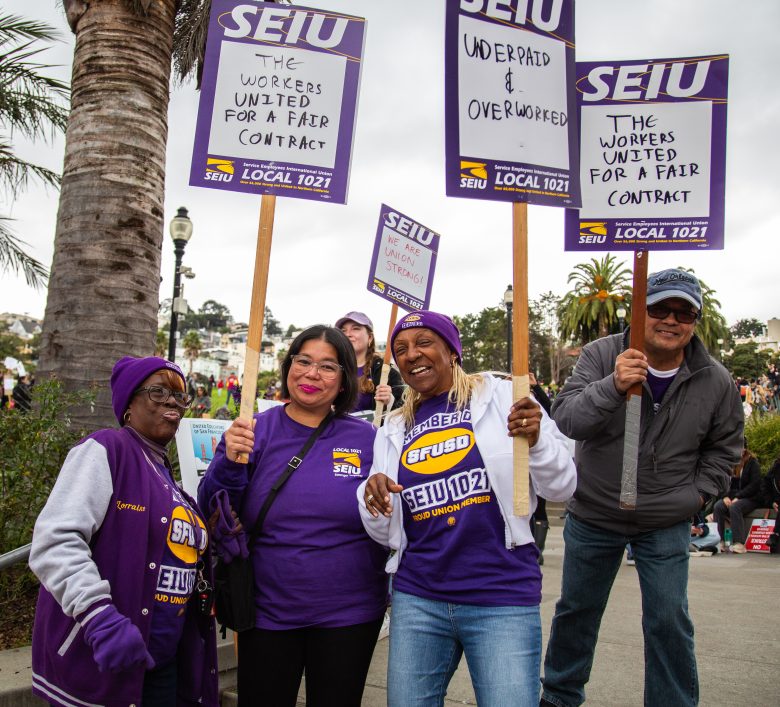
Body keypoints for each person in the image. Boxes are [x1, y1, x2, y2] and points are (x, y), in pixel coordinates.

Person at [540, 268, 743, 707]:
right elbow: (567, 419)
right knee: (576, 613)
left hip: (664, 520)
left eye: (684, 313)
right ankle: (558, 697)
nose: (671, 320)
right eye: (659, 309)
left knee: (668, 620)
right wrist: (614, 384)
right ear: (638, 311)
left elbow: (725, 448)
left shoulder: (715, 379)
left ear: (695, 322)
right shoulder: (600, 354)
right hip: (594, 514)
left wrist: (698, 497)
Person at [358, 310, 576, 706]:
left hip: (500, 595)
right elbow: (384, 532)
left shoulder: (504, 397)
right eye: (401, 349)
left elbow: (563, 484)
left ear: (452, 350)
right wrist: (372, 500)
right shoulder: (392, 428)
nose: (411, 355)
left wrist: (539, 440)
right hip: (418, 597)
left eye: (424, 342)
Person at [198, 325, 388, 707]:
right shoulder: (252, 431)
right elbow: (212, 507)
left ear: (345, 379)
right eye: (303, 361)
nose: (312, 374)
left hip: (350, 614)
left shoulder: (367, 439)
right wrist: (231, 463)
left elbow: (388, 515)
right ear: (288, 367)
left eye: (327, 366)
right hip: (268, 611)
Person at [29, 356, 218, 707]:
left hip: (160, 665)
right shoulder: (106, 449)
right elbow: (55, 542)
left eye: (180, 396)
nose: (172, 403)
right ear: (130, 402)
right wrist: (99, 617)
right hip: (102, 661)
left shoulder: (168, 478)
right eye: (159, 392)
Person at [336, 311, 405, 419]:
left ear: (370, 338)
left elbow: (403, 412)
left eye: (355, 328)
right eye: (343, 330)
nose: (348, 334)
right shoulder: (331, 368)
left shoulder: (386, 372)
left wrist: (389, 402)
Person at [713, 446, 763, 553]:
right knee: (718, 506)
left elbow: (755, 485)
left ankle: (739, 543)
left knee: (735, 507)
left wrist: (738, 497)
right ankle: (719, 541)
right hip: (734, 497)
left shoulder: (753, 463)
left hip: (751, 498)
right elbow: (723, 483)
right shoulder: (729, 463)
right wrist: (724, 496)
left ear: (745, 449)